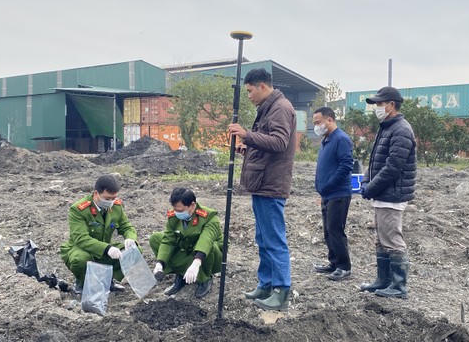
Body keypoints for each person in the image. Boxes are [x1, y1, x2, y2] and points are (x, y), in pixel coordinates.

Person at [228, 68, 296, 311]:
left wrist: (247, 135)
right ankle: (266, 283)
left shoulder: (280, 108)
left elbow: (279, 142)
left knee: (274, 238)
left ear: (262, 87)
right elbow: (267, 142)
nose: (248, 96)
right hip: (263, 182)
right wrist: (248, 147)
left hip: (271, 185)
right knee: (263, 237)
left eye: (249, 91)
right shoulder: (269, 108)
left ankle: (281, 289)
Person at [359, 86, 416, 299]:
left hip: (392, 195)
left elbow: (393, 167)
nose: (377, 108)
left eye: (380, 104)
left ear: (391, 105)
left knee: (392, 239)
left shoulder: (401, 129)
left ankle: (399, 286)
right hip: (382, 195)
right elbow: (376, 161)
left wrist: (371, 187)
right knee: (381, 240)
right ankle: (383, 281)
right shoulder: (387, 127)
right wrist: (366, 180)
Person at [60, 174, 139, 293]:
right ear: (96, 194)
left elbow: (126, 226)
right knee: (80, 259)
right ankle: (82, 283)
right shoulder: (78, 209)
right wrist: (107, 248)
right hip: (81, 248)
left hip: (104, 249)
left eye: (114, 198)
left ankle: (108, 280)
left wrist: (130, 238)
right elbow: (81, 238)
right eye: (107, 199)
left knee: (133, 251)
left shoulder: (116, 206)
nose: (111, 202)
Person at [149, 188, 223, 298]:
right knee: (156, 238)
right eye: (175, 209)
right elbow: (168, 239)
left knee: (209, 245)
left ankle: (205, 279)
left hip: (209, 256)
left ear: (192, 205)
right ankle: (182, 274)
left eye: (180, 210)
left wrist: (196, 263)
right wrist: (160, 263)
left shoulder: (209, 217)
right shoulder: (174, 216)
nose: (177, 213)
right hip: (188, 249)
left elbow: (206, 240)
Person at [312, 106, 354, 281]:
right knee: (328, 230)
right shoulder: (326, 139)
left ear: (330, 119)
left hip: (338, 193)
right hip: (327, 193)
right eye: (314, 123)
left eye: (318, 122)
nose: (316, 126)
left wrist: (329, 185)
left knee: (336, 230)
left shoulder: (341, 139)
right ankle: (334, 263)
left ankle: (344, 266)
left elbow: (346, 166)